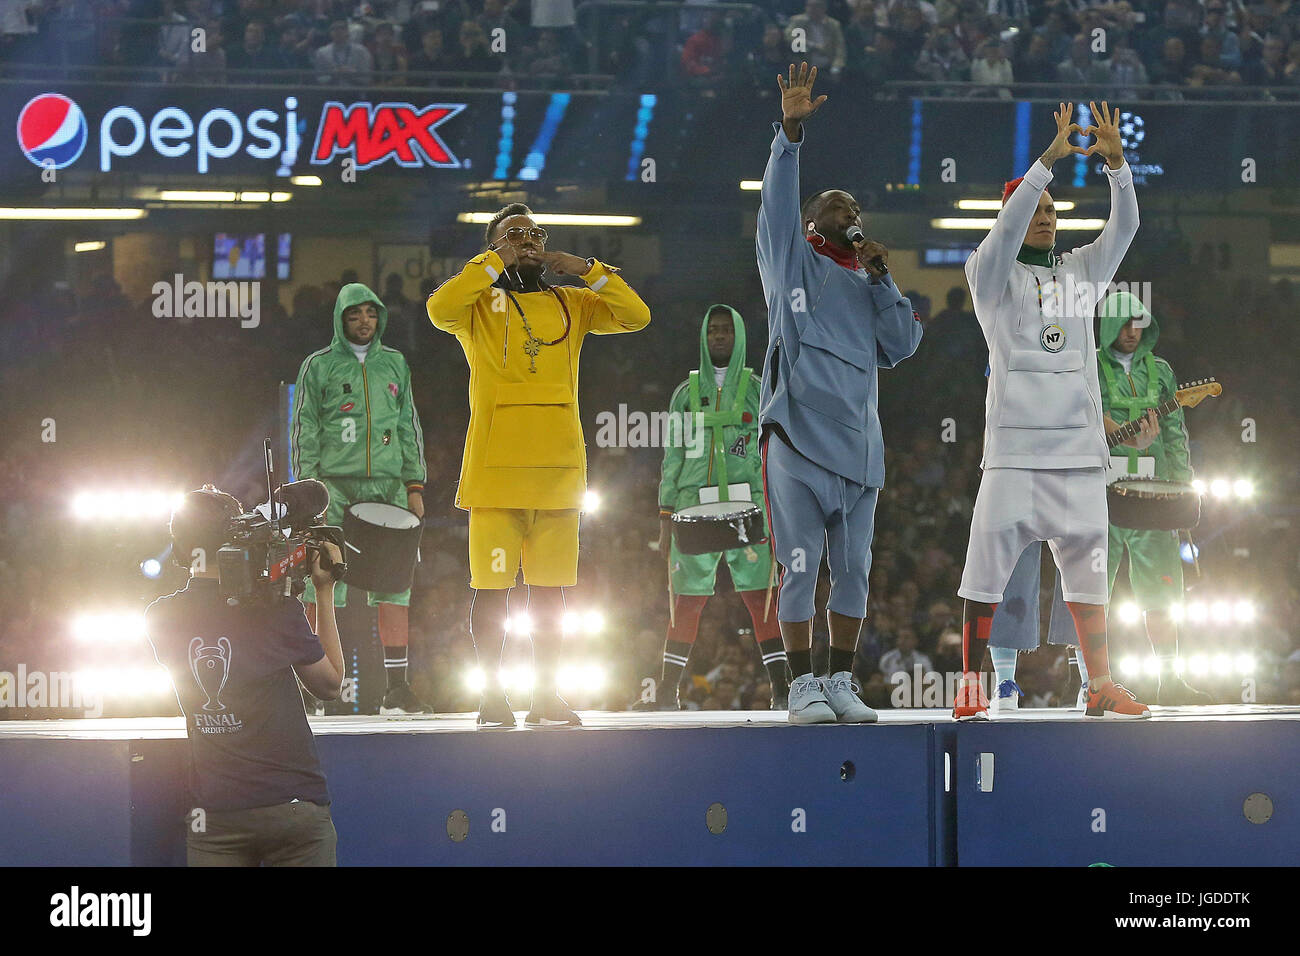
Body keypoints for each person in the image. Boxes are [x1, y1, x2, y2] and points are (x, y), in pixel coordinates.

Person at [953, 101, 1148, 720]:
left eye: (1052, 210)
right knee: (983, 576)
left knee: (1090, 584)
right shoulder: (989, 278)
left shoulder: (1081, 272)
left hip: (1080, 457)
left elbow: (1126, 229)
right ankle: (970, 686)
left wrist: (1117, 168)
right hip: (1013, 453)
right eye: (1033, 210)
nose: (1044, 219)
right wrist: (1044, 164)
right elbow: (1003, 233)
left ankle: (1099, 685)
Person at [426, 204, 650, 728]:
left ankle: (548, 695)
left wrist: (587, 269)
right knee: (492, 593)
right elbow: (439, 309)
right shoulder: (477, 305)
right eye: (515, 235)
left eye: (535, 235)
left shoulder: (573, 303)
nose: (528, 242)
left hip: (558, 472)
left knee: (551, 596)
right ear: (495, 245)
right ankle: (492, 698)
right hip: (495, 475)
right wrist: (491, 261)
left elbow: (637, 317)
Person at [756, 62, 923, 725]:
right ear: (810, 221)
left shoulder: (868, 283)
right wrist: (791, 133)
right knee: (799, 568)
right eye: (836, 203)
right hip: (797, 438)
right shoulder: (790, 259)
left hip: (859, 449)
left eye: (855, 206)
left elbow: (904, 345)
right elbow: (776, 200)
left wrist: (884, 276)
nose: (849, 209)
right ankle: (800, 686)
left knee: (852, 572)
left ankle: (840, 681)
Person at [145, 487, 344, 866]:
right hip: (293, 808)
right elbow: (331, 684)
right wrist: (323, 591)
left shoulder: (159, 618)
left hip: (215, 817)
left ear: (181, 548)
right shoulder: (275, 609)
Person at [291, 283, 431, 716]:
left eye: (370, 314)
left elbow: (408, 425)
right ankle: (310, 687)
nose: (364, 322)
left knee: (394, 586)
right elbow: (306, 428)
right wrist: (307, 490)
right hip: (332, 486)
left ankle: (396, 689)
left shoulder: (395, 363)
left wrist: (414, 484)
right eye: (355, 315)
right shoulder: (318, 366)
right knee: (319, 584)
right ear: (341, 320)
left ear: (380, 318)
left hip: (387, 486)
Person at [651, 304, 790, 710]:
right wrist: (664, 517)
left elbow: (774, 453)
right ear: (703, 337)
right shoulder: (684, 393)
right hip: (693, 507)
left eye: (727, 330)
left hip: (748, 506)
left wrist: (778, 512)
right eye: (713, 330)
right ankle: (666, 694)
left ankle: (781, 690)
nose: (719, 336)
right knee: (686, 601)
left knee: (761, 597)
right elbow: (672, 455)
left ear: (740, 335)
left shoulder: (757, 388)